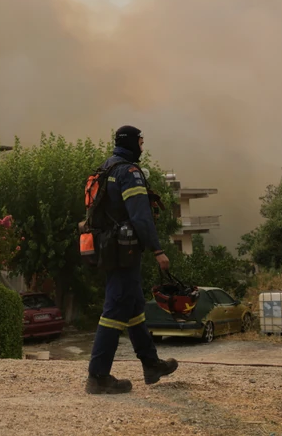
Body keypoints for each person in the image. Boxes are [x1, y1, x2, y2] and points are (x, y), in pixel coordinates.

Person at [85, 125, 179, 394]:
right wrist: (157, 250)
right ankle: (98, 375)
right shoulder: (129, 172)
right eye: (140, 141)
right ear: (130, 143)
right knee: (115, 309)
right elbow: (140, 216)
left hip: (109, 248)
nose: (142, 146)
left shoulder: (105, 168)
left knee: (135, 306)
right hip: (124, 251)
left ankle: (151, 364)